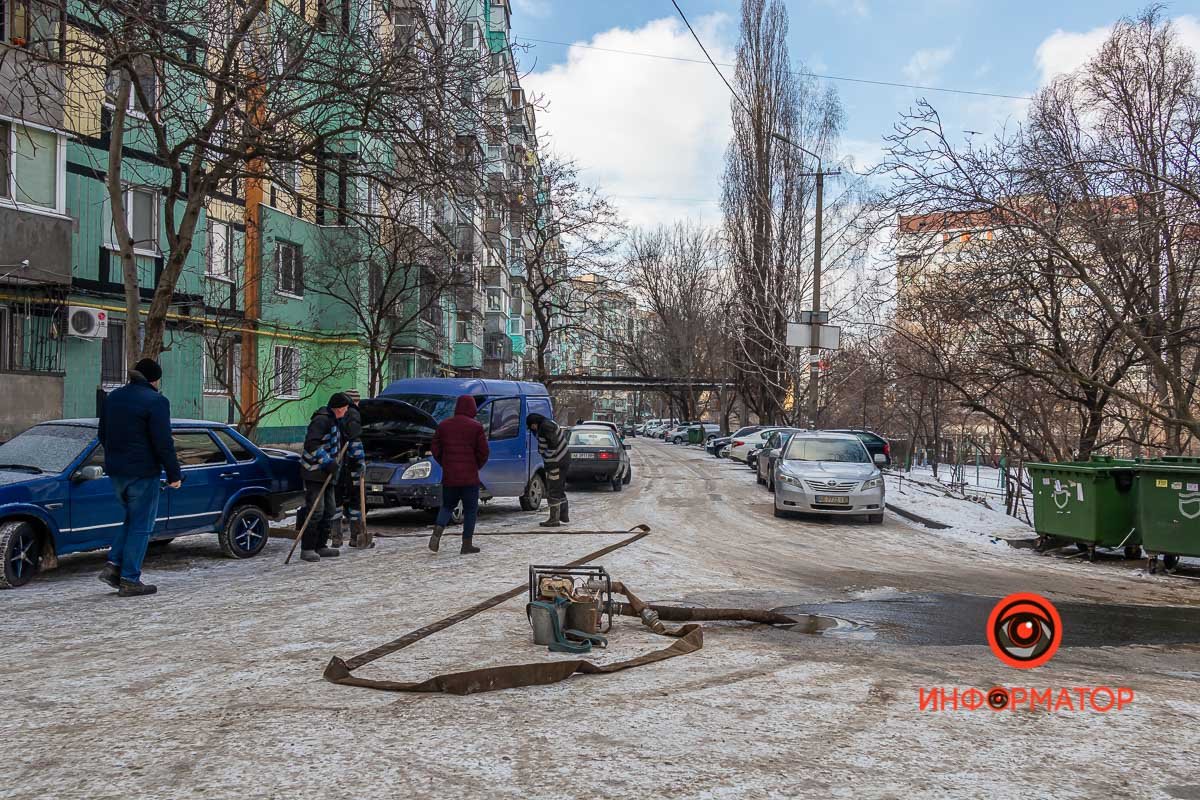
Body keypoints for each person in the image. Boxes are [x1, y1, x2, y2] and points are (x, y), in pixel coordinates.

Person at [96, 357, 182, 597]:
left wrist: (117, 458)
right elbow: (163, 442)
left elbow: (102, 434)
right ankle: (130, 578)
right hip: (143, 473)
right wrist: (174, 474)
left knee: (132, 519)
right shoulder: (156, 401)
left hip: (116, 472)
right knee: (142, 526)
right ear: (154, 379)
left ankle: (114, 566)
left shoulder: (113, 397)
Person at [428, 395, 489, 555]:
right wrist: (476, 465)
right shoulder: (476, 427)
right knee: (470, 510)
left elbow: (435, 447)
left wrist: (445, 462)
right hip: (470, 478)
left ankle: (438, 529)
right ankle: (466, 544)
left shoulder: (444, 426)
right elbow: (484, 452)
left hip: (450, 477)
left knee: (447, 506)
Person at [299, 393, 352, 563]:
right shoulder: (321, 420)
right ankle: (307, 548)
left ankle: (321, 545)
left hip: (327, 473)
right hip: (314, 472)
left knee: (329, 510)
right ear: (338, 408)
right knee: (316, 510)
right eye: (346, 408)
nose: (347, 411)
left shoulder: (335, 421)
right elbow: (311, 444)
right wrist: (327, 462)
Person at [333, 388, 366, 548]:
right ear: (355, 401)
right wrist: (360, 462)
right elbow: (355, 440)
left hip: (337, 464)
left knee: (337, 501)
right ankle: (356, 536)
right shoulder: (354, 414)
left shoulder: (334, 414)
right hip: (350, 465)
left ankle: (336, 538)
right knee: (355, 503)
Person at [526, 413, 569, 527]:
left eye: (531, 426)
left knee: (554, 489)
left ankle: (554, 519)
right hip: (562, 459)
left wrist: (548, 460)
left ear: (534, 423)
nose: (531, 429)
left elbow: (552, 445)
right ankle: (563, 515)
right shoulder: (549, 423)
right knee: (558, 487)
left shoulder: (545, 427)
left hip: (556, 461)